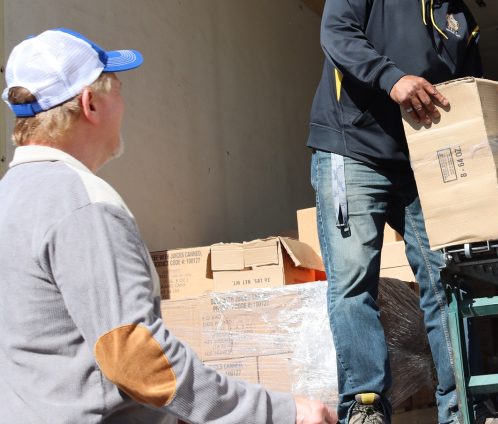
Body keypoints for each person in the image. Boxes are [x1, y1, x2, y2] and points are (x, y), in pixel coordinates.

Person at [0, 28, 335, 424]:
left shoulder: (10, 197)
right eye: (118, 90)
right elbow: (137, 359)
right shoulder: (83, 205)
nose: (124, 105)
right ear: (90, 104)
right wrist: (280, 412)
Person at [307, 0, 493, 424]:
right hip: (352, 148)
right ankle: (365, 406)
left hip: (422, 165)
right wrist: (393, 78)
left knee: (443, 280)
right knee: (351, 281)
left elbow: (467, 95)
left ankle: (461, 408)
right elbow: (337, 33)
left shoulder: (460, 20)